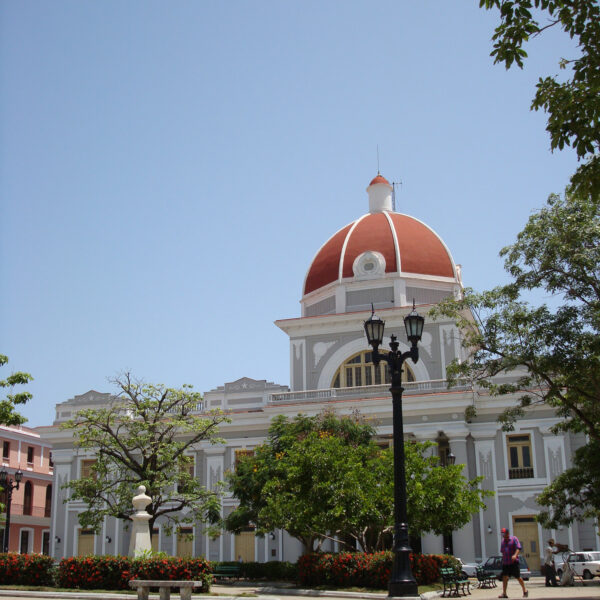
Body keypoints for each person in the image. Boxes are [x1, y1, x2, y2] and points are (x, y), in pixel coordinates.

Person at [498, 527, 528, 598]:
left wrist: (515, 555)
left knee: (518, 577)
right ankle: (504, 593)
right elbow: (502, 551)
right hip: (506, 562)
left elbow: (518, 548)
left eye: (504, 533)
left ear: (507, 533)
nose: (503, 535)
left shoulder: (514, 539)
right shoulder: (503, 541)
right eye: (502, 533)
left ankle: (525, 590)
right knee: (504, 577)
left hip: (513, 562)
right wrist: (502, 560)